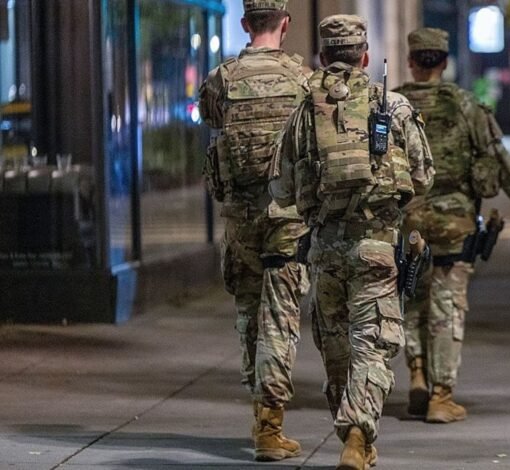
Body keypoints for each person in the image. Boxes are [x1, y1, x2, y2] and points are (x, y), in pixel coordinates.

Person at [270, 15, 434, 470]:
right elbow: (422, 176)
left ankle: (352, 433)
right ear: (364, 57)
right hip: (377, 247)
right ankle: (359, 436)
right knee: (372, 343)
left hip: (324, 249)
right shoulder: (393, 105)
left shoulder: (303, 110)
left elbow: (281, 188)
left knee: (337, 347)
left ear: (324, 57)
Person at [395, 27, 510, 424]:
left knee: (411, 297)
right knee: (447, 305)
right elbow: (498, 157)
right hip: (454, 221)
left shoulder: (391, 105)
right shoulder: (466, 105)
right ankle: (441, 396)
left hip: (406, 220)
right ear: (443, 62)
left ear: (412, 61)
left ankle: (417, 373)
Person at [198, 0, 309, 462]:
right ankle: (270, 421)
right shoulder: (303, 81)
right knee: (281, 315)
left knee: (248, 312)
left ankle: (258, 408)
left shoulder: (222, 78)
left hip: (240, 216)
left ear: (245, 25)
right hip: (287, 215)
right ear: (285, 24)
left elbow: (211, 120)